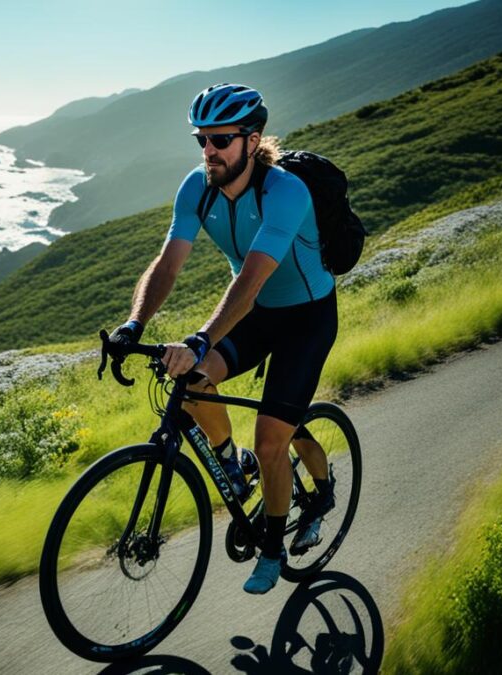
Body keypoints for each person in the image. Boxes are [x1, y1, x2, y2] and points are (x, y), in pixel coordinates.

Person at [110, 83, 338, 594]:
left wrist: (200, 337)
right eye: (202, 141)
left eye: (220, 140)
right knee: (192, 381)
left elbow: (252, 278)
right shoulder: (197, 187)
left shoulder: (286, 193)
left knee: (274, 437)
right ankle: (233, 468)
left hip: (306, 319)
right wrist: (135, 324)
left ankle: (278, 544)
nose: (208, 151)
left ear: (252, 141)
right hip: (254, 316)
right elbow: (168, 264)